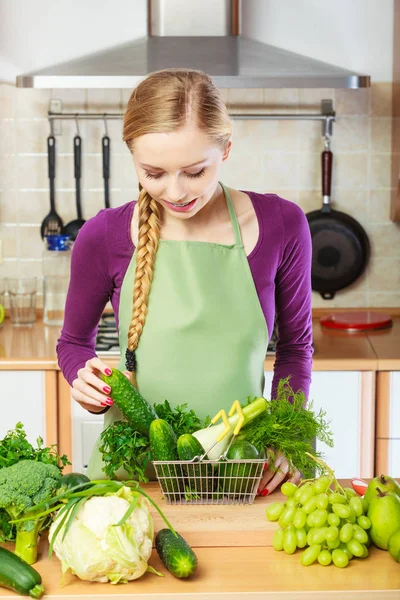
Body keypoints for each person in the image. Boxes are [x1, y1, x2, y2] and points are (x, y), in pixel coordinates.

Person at [57, 68, 313, 494]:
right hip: (136, 474)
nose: (175, 192)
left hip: (244, 464)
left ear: (226, 149)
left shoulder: (282, 224)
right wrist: (83, 380)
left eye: (194, 172)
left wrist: (282, 439)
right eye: (153, 172)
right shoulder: (103, 235)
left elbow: (296, 348)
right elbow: (73, 343)